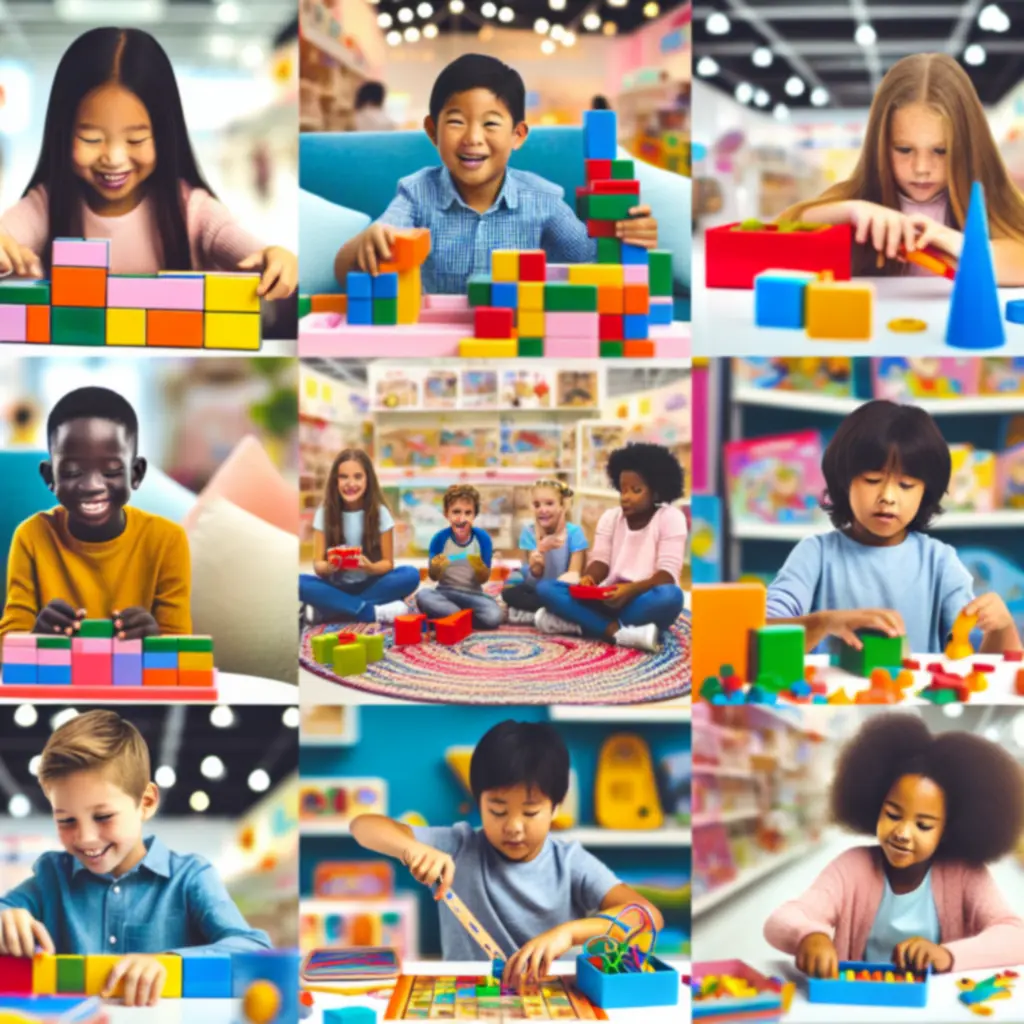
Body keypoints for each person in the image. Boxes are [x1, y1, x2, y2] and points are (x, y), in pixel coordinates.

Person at [350, 720, 663, 987]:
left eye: (530, 812)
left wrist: (568, 934)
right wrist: (411, 847)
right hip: (466, 998)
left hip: (550, 998)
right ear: (479, 802)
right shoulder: (457, 844)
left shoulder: (570, 861)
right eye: (497, 811)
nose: (513, 827)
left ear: (555, 807)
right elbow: (362, 825)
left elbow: (647, 917)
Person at [0, 27, 297, 299]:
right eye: (91, 139)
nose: (114, 159)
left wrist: (276, 258)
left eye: (136, 140)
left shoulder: (193, 211)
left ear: (165, 137)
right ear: (61, 134)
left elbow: (255, 253)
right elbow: (6, 235)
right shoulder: (46, 206)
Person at [0, 711, 271, 1006]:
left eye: (103, 817)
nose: (86, 837)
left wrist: (168, 963)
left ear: (147, 802)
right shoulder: (51, 878)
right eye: (66, 820)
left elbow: (254, 949)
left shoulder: (190, 877)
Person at [334, 54, 659, 293]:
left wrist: (628, 235)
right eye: (456, 121)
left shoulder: (543, 200)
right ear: (433, 131)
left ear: (517, 135)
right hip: (437, 340)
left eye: (490, 123)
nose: (473, 138)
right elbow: (350, 264)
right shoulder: (416, 194)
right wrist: (365, 243)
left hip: (515, 340)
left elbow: (595, 264)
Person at [765, 713, 1024, 975]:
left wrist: (946, 955)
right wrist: (809, 936)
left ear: (946, 831)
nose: (902, 832)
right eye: (893, 814)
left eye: (923, 825)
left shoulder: (965, 875)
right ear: (877, 806)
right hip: (860, 1000)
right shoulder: (852, 866)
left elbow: (1017, 937)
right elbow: (781, 919)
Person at [766, 400, 1021, 655]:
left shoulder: (939, 562)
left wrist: (1002, 628)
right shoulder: (816, 555)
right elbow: (760, 633)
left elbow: (978, 666)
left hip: (916, 695)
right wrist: (823, 623)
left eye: (906, 485)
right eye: (872, 480)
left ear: (925, 492)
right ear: (844, 481)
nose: (888, 496)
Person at [776, 53, 1024, 285]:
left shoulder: (991, 200)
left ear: (969, 148)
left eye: (941, 151)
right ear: (880, 147)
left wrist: (949, 240)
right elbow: (778, 235)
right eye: (904, 150)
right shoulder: (857, 198)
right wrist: (850, 211)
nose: (921, 168)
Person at [0, 386, 191, 647]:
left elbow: (183, 648)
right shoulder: (31, 537)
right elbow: (7, 645)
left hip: (133, 683)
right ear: (50, 477)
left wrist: (156, 639)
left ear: (135, 474)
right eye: (72, 472)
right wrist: (35, 637)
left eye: (111, 471)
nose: (92, 485)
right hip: (58, 683)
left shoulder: (167, 540)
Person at [535, 443, 686, 653]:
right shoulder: (610, 517)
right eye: (623, 489)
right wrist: (589, 579)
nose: (626, 496)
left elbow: (667, 575)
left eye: (636, 490)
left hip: (642, 599)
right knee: (546, 589)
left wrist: (631, 589)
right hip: (606, 597)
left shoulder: (671, 518)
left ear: (656, 492)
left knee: (672, 597)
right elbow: (601, 562)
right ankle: (617, 632)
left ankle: (582, 624)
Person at [299, 448, 419, 625]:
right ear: (335, 481)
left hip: (372, 584)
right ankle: (369, 611)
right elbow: (318, 565)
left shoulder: (380, 513)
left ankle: (335, 609)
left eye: (357, 477)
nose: (350, 483)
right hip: (337, 585)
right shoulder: (324, 513)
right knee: (299, 582)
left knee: (410, 574)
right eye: (343, 477)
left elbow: (387, 563)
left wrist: (370, 567)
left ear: (367, 480)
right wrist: (330, 566)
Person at [416, 484, 502, 630]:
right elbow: (434, 577)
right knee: (423, 595)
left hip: (473, 594)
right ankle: (460, 616)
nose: (461, 518)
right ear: (446, 514)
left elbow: (483, 579)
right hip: (445, 592)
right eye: (456, 512)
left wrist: (481, 568)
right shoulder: (439, 539)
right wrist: (436, 567)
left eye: (468, 513)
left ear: (475, 515)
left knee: (495, 615)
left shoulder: (482, 539)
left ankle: (453, 618)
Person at [501, 479, 587, 625]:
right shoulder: (528, 532)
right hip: (537, 590)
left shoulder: (574, 533)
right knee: (509, 593)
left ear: (562, 506)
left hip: (563, 590)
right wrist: (537, 565)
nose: (542, 509)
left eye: (549, 503)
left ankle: (538, 613)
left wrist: (552, 591)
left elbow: (574, 575)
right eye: (537, 505)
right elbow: (532, 580)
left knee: (576, 598)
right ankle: (550, 612)